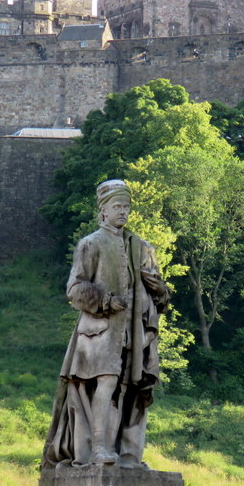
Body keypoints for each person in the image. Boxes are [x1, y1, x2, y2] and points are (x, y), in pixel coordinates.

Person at [42, 179, 170, 469]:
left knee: (130, 390)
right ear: (103, 210)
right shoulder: (91, 243)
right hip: (98, 332)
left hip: (133, 333)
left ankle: (128, 455)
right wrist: (106, 300)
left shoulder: (142, 248)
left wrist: (158, 287)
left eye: (126, 207)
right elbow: (75, 288)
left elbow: (162, 298)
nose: (123, 212)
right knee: (107, 382)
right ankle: (98, 449)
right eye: (117, 206)